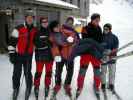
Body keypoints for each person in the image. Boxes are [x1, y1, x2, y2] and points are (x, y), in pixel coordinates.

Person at [8, 11, 37, 100]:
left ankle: (28, 87)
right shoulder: (18, 29)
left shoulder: (35, 30)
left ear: (33, 19)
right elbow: (11, 42)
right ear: (25, 18)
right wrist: (12, 54)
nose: (30, 19)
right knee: (17, 73)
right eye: (28, 17)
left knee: (28, 72)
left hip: (29, 55)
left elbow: (38, 41)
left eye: (31, 18)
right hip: (18, 55)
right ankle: (16, 88)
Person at [50, 17, 79, 100]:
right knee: (59, 71)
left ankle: (67, 84)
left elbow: (76, 41)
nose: (70, 23)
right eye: (68, 22)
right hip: (61, 55)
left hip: (70, 55)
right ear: (66, 22)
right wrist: (56, 53)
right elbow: (53, 42)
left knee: (70, 71)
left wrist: (73, 41)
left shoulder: (71, 32)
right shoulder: (57, 32)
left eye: (71, 22)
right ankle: (58, 84)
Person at [75, 13, 103, 100]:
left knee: (97, 72)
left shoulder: (99, 28)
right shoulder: (85, 28)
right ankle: (79, 87)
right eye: (96, 20)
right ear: (92, 20)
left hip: (95, 55)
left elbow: (100, 41)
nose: (98, 21)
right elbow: (85, 40)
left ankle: (96, 87)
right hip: (86, 53)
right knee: (82, 71)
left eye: (98, 20)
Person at [33, 17, 54, 100]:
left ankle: (47, 85)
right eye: (43, 22)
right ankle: (36, 86)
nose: (45, 23)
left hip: (49, 57)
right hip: (40, 57)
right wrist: (46, 43)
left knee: (48, 72)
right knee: (38, 73)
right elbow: (36, 43)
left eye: (46, 22)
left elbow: (54, 43)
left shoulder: (51, 32)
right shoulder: (37, 32)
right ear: (41, 23)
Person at [101, 23, 119, 94]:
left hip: (112, 56)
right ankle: (103, 84)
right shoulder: (101, 36)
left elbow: (116, 46)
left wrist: (112, 53)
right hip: (104, 56)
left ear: (110, 29)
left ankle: (111, 84)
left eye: (107, 29)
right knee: (103, 71)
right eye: (104, 29)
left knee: (112, 71)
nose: (105, 30)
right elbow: (99, 46)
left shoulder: (114, 37)